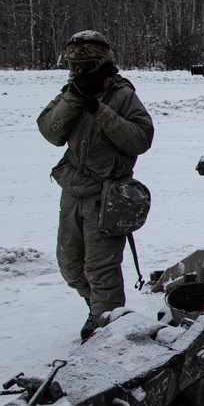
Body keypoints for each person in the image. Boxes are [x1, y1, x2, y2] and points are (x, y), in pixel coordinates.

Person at [38, 31, 154, 341]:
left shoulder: (122, 94)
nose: (78, 72)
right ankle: (97, 311)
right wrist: (75, 98)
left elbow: (140, 140)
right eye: (73, 66)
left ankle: (109, 330)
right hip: (73, 191)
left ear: (100, 64)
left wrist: (99, 111)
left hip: (107, 193)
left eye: (85, 66)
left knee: (101, 270)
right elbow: (50, 131)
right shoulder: (70, 92)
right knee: (70, 265)